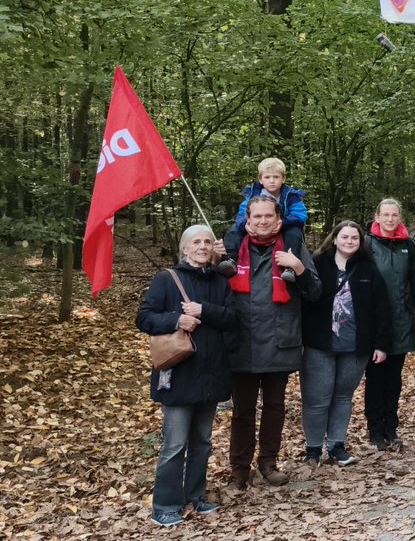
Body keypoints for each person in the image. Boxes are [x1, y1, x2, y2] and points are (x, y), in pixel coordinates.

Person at [136, 225, 238, 527]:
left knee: (202, 442)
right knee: (175, 444)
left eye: (208, 241)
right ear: (184, 248)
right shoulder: (167, 279)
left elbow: (233, 319)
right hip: (178, 373)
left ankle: (195, 496)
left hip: (211, 373)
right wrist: (176, 319)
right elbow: (143, 318)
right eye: (196, 242)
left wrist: (203, 310)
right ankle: (165, 505)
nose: (203, 246)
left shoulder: (220, 281)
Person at [226, 196, 321, 488]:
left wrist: (299, 268)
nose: (263, 221)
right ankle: (239, 469)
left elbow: (316, 292)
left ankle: (268, 462)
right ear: (248, 220)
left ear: (279, 221)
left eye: (269, 216)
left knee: (274, 407)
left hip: (280, 342)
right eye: (257, 217)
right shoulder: (231, 251)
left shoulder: (294, 248)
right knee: (242, 411)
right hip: (240, 343)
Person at [301, 221, 389, 467]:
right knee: (317, 400)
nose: (349, 242)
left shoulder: (368, 270)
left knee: (342, 398)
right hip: (319, 346)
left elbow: (381, 309)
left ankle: (337, 445)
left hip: (355, 347)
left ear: (360, 243)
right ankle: (313, 448)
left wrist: (381, 345)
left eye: (354, 238)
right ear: (335, 239)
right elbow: (303, 302)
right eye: (345, 237)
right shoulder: (317, 265)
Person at [363, 198, 415, 451]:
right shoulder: (366, 245)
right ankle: (375, 430)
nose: (389, 219)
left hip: (401, 320)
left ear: (400, 218)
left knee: (394, 379)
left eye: (394, 215)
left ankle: (391, 428)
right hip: (374, 322)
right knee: (375, 377)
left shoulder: (408, 246)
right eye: (385, 214)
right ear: (377, 217)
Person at [218, 157, 308, 282]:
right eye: (267, 177)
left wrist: (281, 224)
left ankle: (290, 267)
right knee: (234, 230)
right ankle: (231, 259)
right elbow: (241, 213)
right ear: (260, 179)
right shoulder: (253, 194)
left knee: (294, 233)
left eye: (276, 177)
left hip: (284, 227)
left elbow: (300, 216)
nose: (272, 181)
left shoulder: (291, 195)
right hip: (256, 226)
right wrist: (245, 225)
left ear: (283, 178)